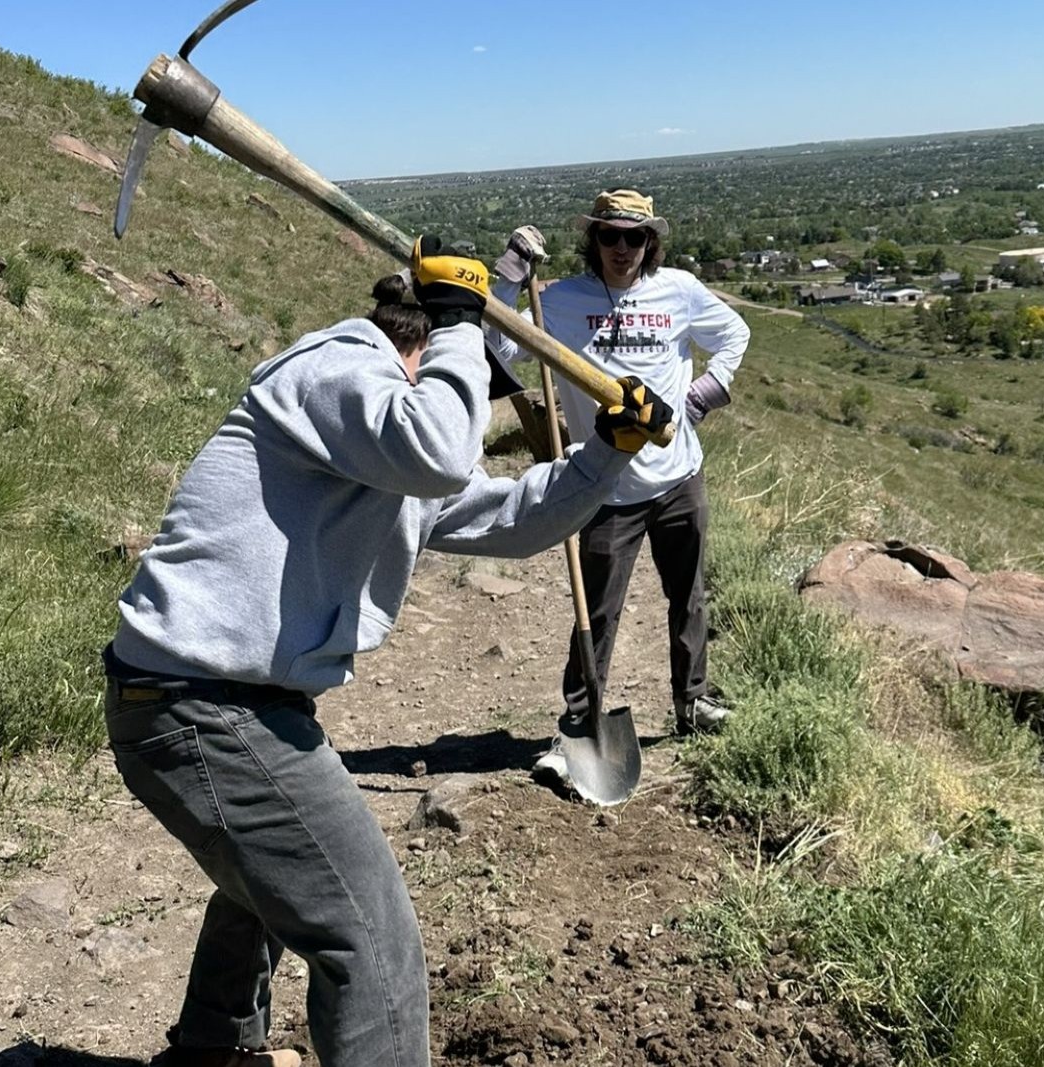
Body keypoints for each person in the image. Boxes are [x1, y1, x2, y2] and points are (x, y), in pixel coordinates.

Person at [101, 237, 671, 1067]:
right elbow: (439, 448)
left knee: (273, 877)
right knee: (372, 935)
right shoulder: (338, 370)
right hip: (199, 703)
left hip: (217, 704)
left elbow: (511, 518)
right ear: (426, 350)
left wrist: (604, 455)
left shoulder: (392, 441)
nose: (467, 406)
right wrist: (462, 326)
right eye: (457, 378)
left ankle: (211, 1050)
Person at [486, 189, 751, 778]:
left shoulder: (679, 290)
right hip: (604, 487)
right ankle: (581, 723)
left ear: (650, 243)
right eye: (610, 236)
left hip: (680, 476)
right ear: (594, 240)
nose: (622, 248)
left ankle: (694, 701)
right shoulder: (561, 301)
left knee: (688, 596)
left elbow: (735, 335)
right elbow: (502, 348)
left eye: (634, 237)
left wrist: (706, 394)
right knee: (598, 612)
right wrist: (508, 280)